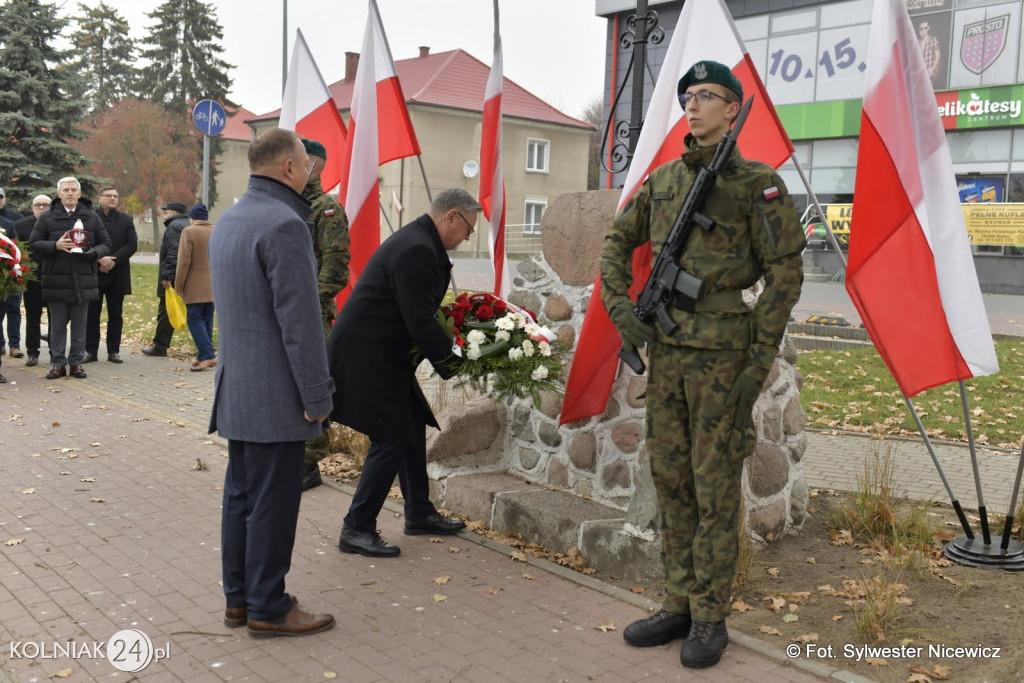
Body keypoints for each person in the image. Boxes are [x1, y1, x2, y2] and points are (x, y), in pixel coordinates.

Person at [601, 61, 805, 669]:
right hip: (667, 360)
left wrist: (756, 362)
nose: (693, 106)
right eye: (688, 96)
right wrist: (620, 308)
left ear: (733, 109)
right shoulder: (663, 180)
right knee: (672, 482)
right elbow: (617, 241)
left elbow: (786, 276)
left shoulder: (757, 184)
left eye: (707, 96)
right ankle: (678, 603)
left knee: (714, 489)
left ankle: (711, 616)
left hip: (723, 359)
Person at [209, 128, 335, 638]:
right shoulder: (286, 223)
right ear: (287, 167)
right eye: (307, 163)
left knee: (241, 498)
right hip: (276, 395)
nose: (312, 172)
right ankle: (268, 605)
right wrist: (318, 396)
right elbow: (300, 324)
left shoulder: (231, 218)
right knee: (273, 505)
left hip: (237, 388)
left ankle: (239, 600)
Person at [327, 188, 476, 559]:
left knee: (409, 424)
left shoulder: (420, 241)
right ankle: (356, 528)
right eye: (468, 229)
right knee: (391, 436)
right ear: (451, 217)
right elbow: (419, 320)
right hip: (367, 355)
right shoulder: (418, 249)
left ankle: (419, 513)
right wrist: (457, 363)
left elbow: (419, 312)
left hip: (380, 352)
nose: (468, 237)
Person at [299, 138, 350, 491]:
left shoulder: (325, 209)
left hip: (312, 312)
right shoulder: (286, 203)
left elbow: (335, 266)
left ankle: (308, 464)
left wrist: (309, 302)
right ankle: (291, 453)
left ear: (313, 165)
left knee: (312, 384)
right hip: (285, 311)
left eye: (298, 160)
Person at [29, 177, 111, 380]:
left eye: (74, 190)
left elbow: (106, 243)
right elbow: (34, 243)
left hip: (83, 280)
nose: (70, 193)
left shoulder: (91, 217)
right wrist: (54, 246)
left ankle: (75, 363)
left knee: (79, 325)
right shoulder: (47, 217)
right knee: (56, 326)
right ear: (59, 194)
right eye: (66, 190)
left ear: (80, 194)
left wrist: (92, 253)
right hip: (56, 280)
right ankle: (58, 363)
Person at [85, 186, 137, 364]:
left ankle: (113, 351)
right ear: (99, 198)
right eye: (108, 196)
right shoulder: (89, 218)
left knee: (116, 314)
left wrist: (112, 261)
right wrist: (99, 259)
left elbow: (131, 245)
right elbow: (84, 242)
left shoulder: (126, 220)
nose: (112, 198)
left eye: (115, 196)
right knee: (92, 313)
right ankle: (91, 351)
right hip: (95, 272)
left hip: (118, 273)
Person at [141, 202, 189, 357]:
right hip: (188, 275)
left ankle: (160, 346)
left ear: (174, 213)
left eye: (167, 213)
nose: (165, 216)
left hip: (173, 277)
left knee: (166, 311)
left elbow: (173, 252)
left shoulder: (174, 227)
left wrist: (167, 276)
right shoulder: (188, 224)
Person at [175, 203, 216, 372]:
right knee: (206, 318)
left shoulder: (189, 231)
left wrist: (178, 285)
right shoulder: (216, 230)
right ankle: (203, 354)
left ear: (192, 218)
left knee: (193, 318)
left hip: (195, 283)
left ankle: (207, 355)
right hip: (214, 283)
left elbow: (184, 261)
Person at [13, 196, 50, 366]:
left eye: (45, 205)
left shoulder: (57, 224)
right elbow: (16, 251)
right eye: (38, 205)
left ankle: (55, 351)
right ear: (32, 207)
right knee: (33, 317)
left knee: (57, 318)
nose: (41, 207)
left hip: (54, 278)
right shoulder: (20, 226)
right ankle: (32, 352)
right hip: (32, 279)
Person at [0, 212, 20, 359]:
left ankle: (14, 345)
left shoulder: (8, 224)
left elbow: (16, 249)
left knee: (13, 309)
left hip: (6, 279)